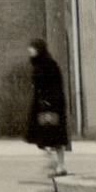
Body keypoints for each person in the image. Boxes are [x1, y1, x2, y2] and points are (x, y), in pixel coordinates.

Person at [25, 38, 70, 177]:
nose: (29, 50)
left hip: (50, 105)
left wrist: (49, 102)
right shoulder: (39, 64)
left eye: (32, 48)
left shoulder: (49, 65)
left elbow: (54, 85)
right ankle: (56, 163)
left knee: (54, 136)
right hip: (43, 105)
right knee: (47, 136)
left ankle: (59, 165)